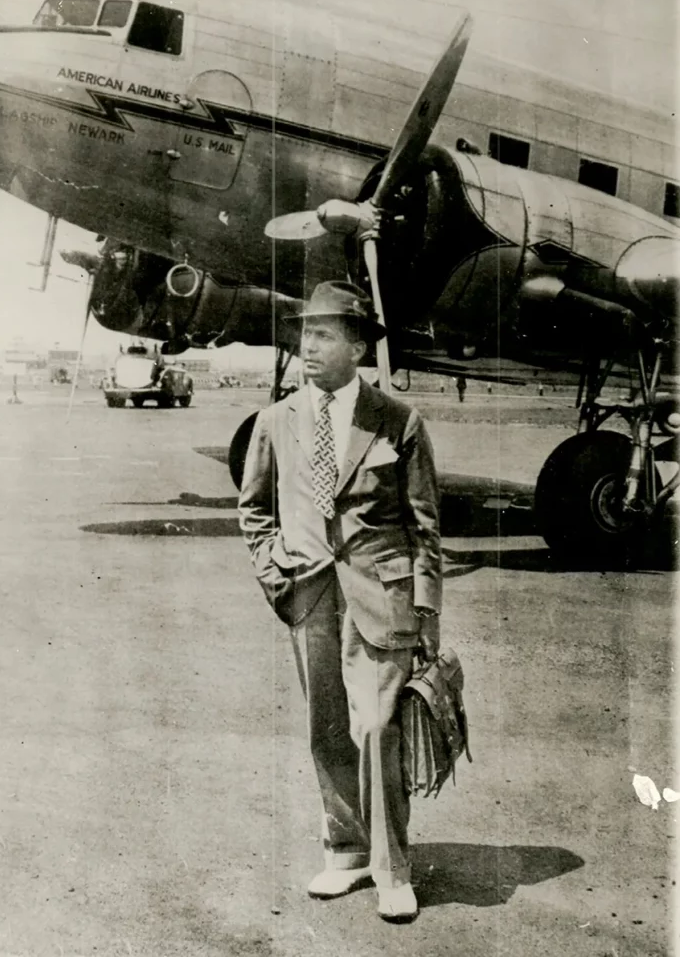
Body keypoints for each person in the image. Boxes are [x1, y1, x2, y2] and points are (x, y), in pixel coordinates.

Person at [238, 281, 442, 923]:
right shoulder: (276, 420)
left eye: (324, 335)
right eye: (305, 335)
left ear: (358, 346)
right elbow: (253, 509)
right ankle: (346, 852)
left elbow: (425, 524)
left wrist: (427, 610)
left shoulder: (398, 420)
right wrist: (276, 576)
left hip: (381, 598)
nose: (309, 347)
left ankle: (393, 869)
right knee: (326, 730)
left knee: (378, 729)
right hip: (308, 595)